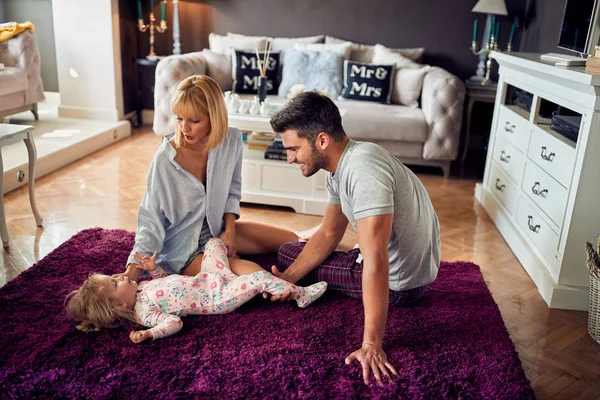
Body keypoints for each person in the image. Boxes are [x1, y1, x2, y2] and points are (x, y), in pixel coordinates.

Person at [267, 91, 441, 386]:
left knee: (287, 252)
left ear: (321, 140)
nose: (289, 158)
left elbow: (377, 262)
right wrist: (289, 278)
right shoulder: (342, 164)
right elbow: (329, 232)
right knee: (293, 256)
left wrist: (372, 345)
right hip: (412, 270)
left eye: (294, 149)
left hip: (399, 285)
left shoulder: (363, 170)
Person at [113, 75, 298, 282]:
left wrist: (229, 232)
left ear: (214, 116)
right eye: (180, 118)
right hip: (184, 249)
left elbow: (232, 192)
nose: (185, 128)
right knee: (243, 270)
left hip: (218, 231)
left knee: (292, 240)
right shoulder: (166, 159)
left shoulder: (231, 140)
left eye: (194, 120)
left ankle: (340, 255)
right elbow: (151, 218)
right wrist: (133, 270)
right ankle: (288, 289)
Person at [66, 238, 328, 342]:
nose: (120, 277)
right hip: (217, 297)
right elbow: (174, 322)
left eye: (114, 277)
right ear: (120, 306)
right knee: (258, 278)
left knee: (213, 243)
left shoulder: (142, 288)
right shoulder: (144, 313)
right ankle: (300, 294)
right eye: (115, 283)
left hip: (208, 278)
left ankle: (233, 259)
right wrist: (151, 335)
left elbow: (168, 283)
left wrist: (155, 270)